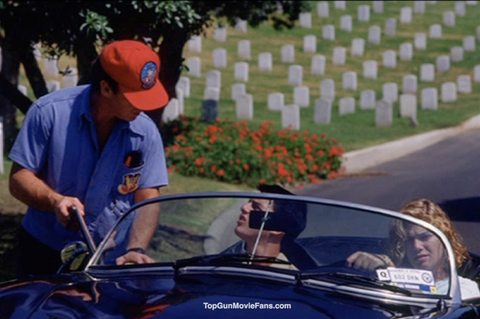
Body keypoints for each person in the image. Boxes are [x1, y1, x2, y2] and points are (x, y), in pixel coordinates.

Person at [9, 40, 169, 277]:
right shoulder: (49, 112)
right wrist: (55, 201)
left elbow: (147, 196)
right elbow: (18, 179)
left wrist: (136, 247)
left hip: (111, 258)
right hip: (45, 250)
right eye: (135, 98)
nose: (142, 108)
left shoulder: (145, 131)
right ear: (106, 88)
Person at [346, 198, 480, 299]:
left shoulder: (463, 288)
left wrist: (395, 278)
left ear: (444, 240)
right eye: (408, 240)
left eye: (425, 237)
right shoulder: (387, 275)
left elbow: (431, 308)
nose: (417, 246)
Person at [228, 184, 307, 270]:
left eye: (256, 207)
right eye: (249, 202)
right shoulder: (228, 264)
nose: (244, 208)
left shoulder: (290, 279)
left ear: (277, 227)